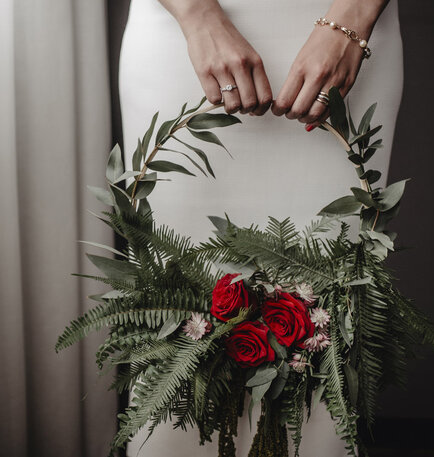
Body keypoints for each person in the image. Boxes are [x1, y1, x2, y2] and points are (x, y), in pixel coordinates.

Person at [119, 0, 402, 455]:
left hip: (347, 31)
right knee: (175, 307)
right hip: (182, 32)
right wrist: (197, 14)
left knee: (332, 307)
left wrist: (352, 19)